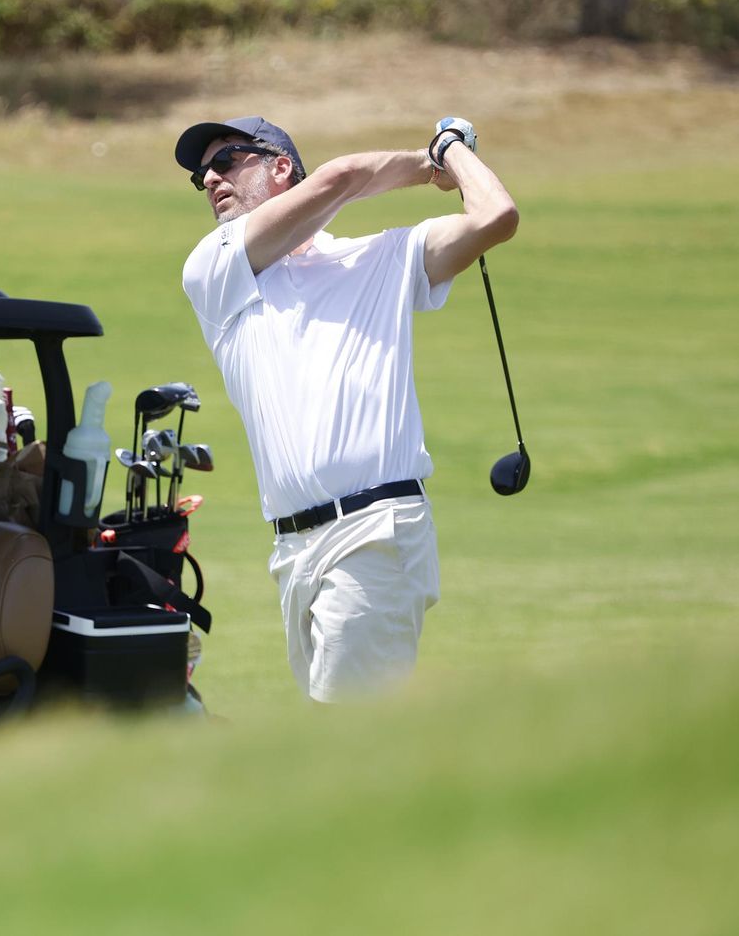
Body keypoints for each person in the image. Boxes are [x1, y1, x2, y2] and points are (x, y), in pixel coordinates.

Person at [175, 115, 518, 702]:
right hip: (292, 550)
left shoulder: (381, 257)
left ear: (280, 166)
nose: (210, 178)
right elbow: (343, 178)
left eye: (227, 160)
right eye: (201, 173)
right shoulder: (217, 268)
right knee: (350, 750)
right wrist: (431, 159)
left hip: (376, 529)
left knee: (349, 734)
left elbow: (495, 217)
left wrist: (452, 152)